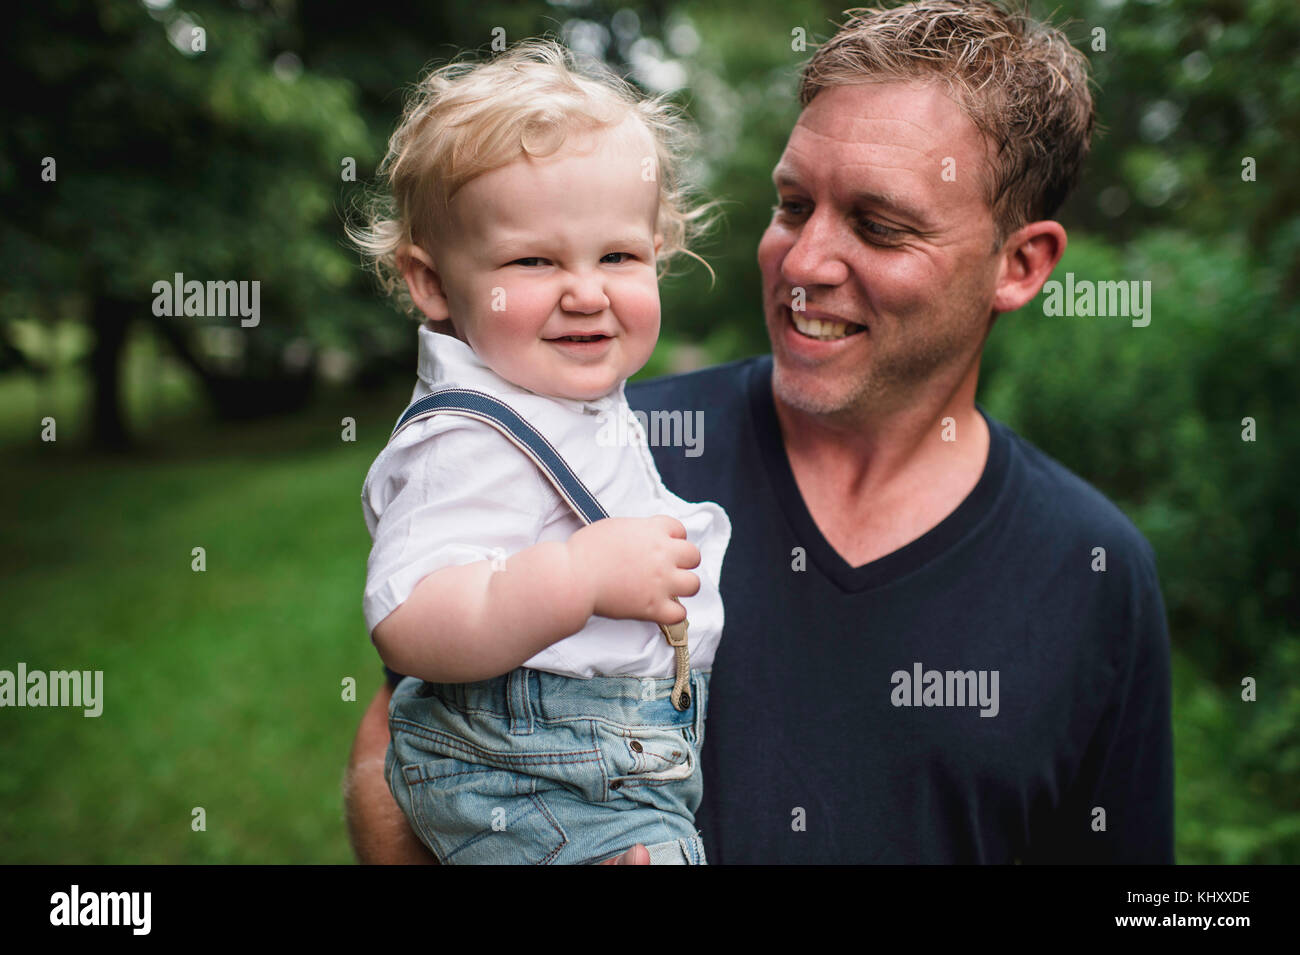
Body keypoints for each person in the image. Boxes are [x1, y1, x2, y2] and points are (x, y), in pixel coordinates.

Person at [345, 0, 1174, 864]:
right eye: (791, 205)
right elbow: (402, 742)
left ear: (1021, 264)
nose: (804, 262)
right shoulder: (599, 452)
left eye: (878, 225)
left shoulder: (1094, 571)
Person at [349, 40, 731, 864]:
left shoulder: (565, 401)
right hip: (540, 772)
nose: (587, 291)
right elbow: (408, 617)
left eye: (620, 256)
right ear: (434, 283)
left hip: (610, 758)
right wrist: (578, 577)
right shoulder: (467, 435)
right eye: (533, 260)